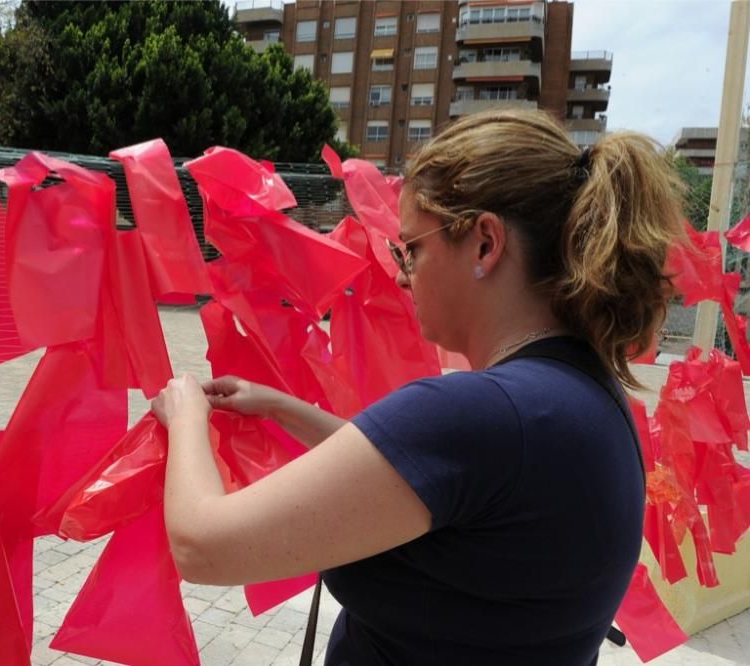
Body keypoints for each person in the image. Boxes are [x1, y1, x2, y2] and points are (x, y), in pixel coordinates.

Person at [151, 109, 685, 665]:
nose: (403, 275)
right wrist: (281, 407)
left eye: (412, 249)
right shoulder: (581, 396)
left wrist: (187, 414)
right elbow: (420, 473)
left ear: (485, 243)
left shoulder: (481, 414)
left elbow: (202, 545)